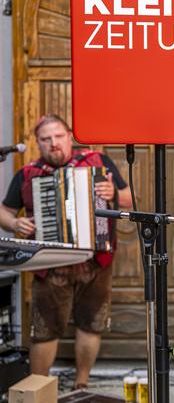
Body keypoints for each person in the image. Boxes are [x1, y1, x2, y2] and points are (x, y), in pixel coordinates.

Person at [0, 115, 132, 389]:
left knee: (91, 323)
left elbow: (130, 200)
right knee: (45, 331)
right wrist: (14, 223)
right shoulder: (27, 174)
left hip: (96, 260)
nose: (54, 144)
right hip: (50, 264)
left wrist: (112, 195)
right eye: (46, 139)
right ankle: (38, 391)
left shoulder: (99, 162)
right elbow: (5, 211)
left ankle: (80, 385)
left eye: (58, 136)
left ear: (69, 136)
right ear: (37, 143)